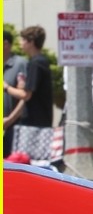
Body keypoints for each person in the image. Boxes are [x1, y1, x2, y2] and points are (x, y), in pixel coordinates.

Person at [9, 26, 55, 162]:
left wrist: (6, 87)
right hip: (40, 121)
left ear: (31, 42)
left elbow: (26, 95)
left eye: (23, 40)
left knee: (29, 161)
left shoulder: (36, 63)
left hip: (34, 123)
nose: (21, 44)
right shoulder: (41, 62)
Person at [3, 29, 28, 157]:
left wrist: (10, 119)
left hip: (14, 125)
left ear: (6, 44)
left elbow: (25, 96)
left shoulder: (20, 64)